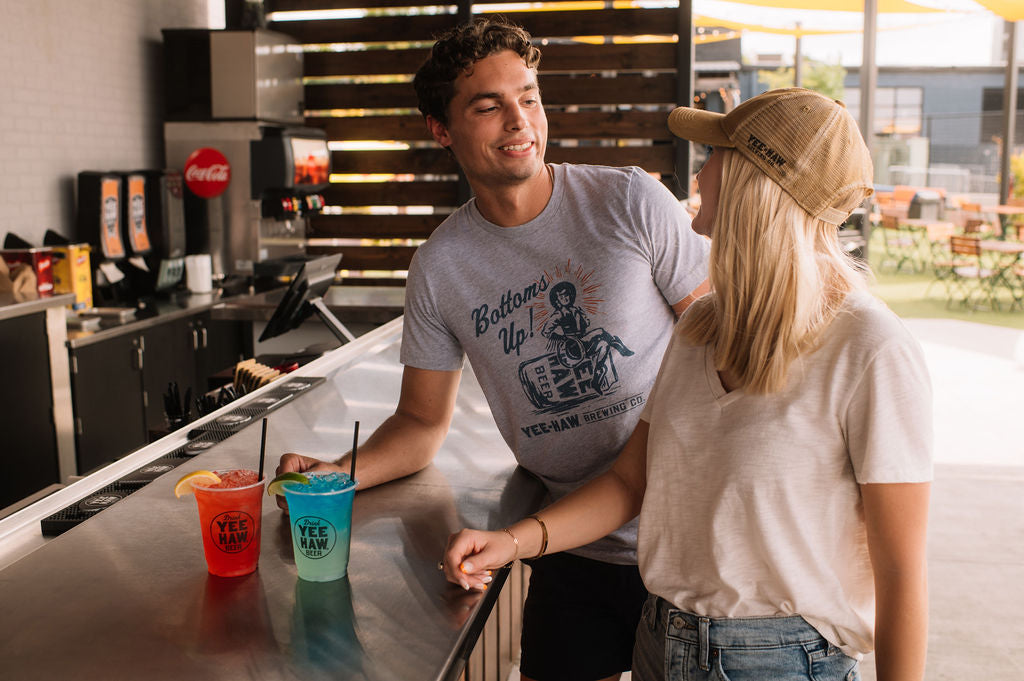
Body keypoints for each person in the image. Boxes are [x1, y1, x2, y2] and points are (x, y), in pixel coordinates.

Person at [443, 88, 933, 681]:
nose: (700, 170)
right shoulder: (703, 327)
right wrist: (513, 542)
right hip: (662, 638)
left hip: (781, 663)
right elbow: (630, 481)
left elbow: (902, 573)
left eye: (716, 154)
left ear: (755, 181)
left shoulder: (872, 349)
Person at [276, 17, 710, 681]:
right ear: (441, 129)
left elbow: (722, 351)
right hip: (573, 546)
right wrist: (335, 474)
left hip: (692, 543)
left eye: (529, 97)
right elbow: (421, 422)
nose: (519, 121)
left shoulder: (631, 201)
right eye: (488, 105)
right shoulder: (441, 266)